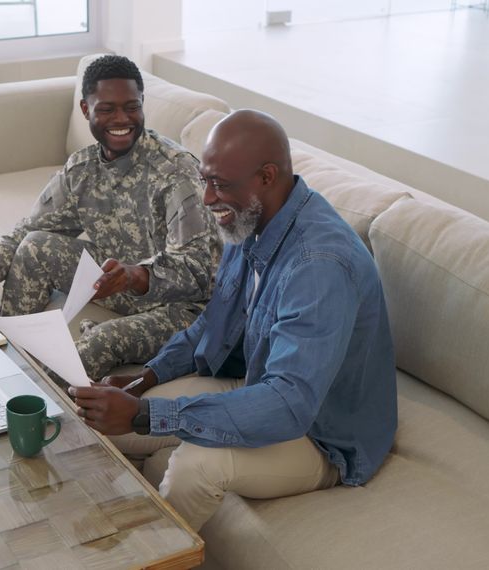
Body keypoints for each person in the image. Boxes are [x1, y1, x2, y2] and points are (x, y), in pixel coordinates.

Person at [69, 109, 398, 531]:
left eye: (219, 184)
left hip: (319, 432)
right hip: (262, 383)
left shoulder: (319, 267)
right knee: (96, 417)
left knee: (195, 464)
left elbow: (287, 404)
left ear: (266, 176)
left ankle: (155, 557)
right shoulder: (251, 221)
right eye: (205, 179)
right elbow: (212, 323)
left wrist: (144, 414)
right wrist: (145, 380)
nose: (207, 199)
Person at [0, 55, 220, 379]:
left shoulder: (176, 171)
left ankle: (36, 404)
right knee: (34, 246)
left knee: (99, 342)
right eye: (106, 109)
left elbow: (202, 271)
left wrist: (135, 275)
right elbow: (29, 231)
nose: (121, 118)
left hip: (185, 308)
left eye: (131, 107)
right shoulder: (82, 169)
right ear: (86, 110)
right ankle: (10, 368)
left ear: (143, 104)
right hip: (120, 283)